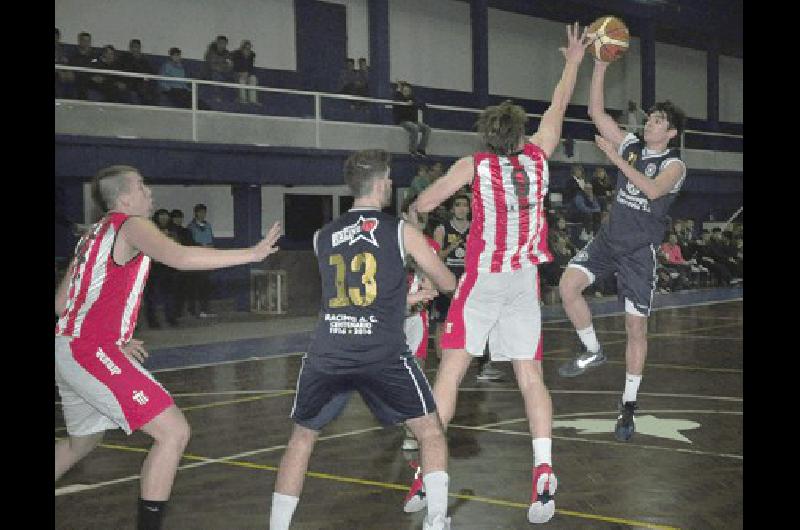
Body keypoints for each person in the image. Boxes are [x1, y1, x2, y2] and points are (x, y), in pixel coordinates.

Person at [404, 23, 590, 525]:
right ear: (521, 132)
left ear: (488, 135)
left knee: (451, 373)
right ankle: (545, 472)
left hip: (483, 283)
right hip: (524, 283)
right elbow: (558, 106)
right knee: (530, 377)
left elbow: (423, 203)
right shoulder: (541, 152)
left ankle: (427, 471)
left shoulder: (473, 165)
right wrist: (573, 60)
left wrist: (419, 219)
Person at [55, 165, 281, 530]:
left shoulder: (90, 235)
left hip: (68, 347)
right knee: (173, 432)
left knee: (79, 445)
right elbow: (178, 257)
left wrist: (111, 335)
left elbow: (63, 303)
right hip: (88, 351)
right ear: (125, 198)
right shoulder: (131, 224)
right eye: (142, 186)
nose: (150, 193)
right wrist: (251, 254)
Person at [268, 149, 456, 530]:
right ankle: (437, 520)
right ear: (383, 182)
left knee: (302, 438)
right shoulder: (400, 231)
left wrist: (402, 299)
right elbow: (449, 282)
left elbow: (356, 296)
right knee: (430, 430)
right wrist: (429, 284)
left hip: (330, 351)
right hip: (380, 353)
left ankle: (278, 526)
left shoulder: (323, 236)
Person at [556, 50, 688, 444]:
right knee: (567, 287)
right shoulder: (631, 144)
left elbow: (650, 190)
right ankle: (593, 350)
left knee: (635, 328)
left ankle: (628, 404)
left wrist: (614, 159)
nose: (651, 122)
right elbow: (596, 111)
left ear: (670, 134)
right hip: (608, 240)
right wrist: (598, 64)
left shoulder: (674, 166)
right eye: (650, 117)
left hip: (638, 253)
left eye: (659, 120)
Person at [187, 204, 215, 317]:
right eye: (200, 212)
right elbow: (191, 243)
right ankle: (192, 310)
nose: (202, 215)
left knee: (206, 286)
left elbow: (211, 240)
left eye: (204, 212)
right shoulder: (191, 227)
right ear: (196, 213)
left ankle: (204, 309)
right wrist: (202, 246)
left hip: (207, 259)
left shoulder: (208, 226)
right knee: (194, 286)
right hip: (196, 260)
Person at [393, 81, 431, 157]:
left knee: (427, 128)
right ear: (402, 91)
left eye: (407, 91)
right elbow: (396, 100)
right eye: (404, 91)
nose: (406, 92)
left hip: (414, 121)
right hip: (403, 121)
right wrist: (398, 91)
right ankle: (412, 150)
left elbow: (423, 106)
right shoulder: (399, 98)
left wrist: (413, 103)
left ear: (410, 91)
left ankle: (421, 149)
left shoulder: (413, 98)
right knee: (414, 128)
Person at [118, 39, 157, 105]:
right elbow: (119, 70)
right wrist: (119, 82)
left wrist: (147, 79)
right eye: (133, 47)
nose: (135, 49)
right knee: (133, 94)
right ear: (130, 48)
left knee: (152, 92)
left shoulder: (144, 60)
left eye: (137, 47)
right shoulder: (124, 57)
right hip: (128, 83)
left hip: (141, 83)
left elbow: (150, 73)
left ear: (140, 48)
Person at [204, 35, 234, 101]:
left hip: (224, 73)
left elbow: (230, 66)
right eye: (220, 43)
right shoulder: (211, 52)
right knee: (217, 75)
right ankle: (217, 97)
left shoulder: (227, 53)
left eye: (224, 43)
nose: (222, 45)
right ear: (217, 42)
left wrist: (223, 67)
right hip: (210, 73)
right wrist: (223, 66)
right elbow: (212, 66)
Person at [231, 39, 260, 105]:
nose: (247, 50)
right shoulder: (236, 55)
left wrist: (248, 75)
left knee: (253, 78)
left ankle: (253, 100)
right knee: (242, 80)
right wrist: (242, 73)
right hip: (237, 75)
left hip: (247, 75)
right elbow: (235, 69)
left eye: (249, 49)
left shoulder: (251, 57)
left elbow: (251, 69)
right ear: (242, 49)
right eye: (246, 48)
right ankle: (242, 100)